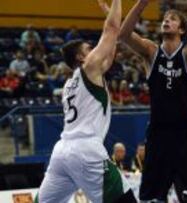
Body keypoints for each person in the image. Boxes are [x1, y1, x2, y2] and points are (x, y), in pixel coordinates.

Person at [98, 0, 187, 202]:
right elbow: (123, 35)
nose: (166, 21)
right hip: (159, 133)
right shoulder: (151, 52)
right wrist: (142, 3)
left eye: (173, 19)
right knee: (152, 197)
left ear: (182, 29)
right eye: (165, 19)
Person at [37, 1, 136, 202]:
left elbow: (110, 50)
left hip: (62, 152)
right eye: (89, 48)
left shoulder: (70, 83)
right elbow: (111, 29)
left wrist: (109, 12)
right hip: (86, 150)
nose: (94, 50)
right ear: (82, 57)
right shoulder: (89, 67)